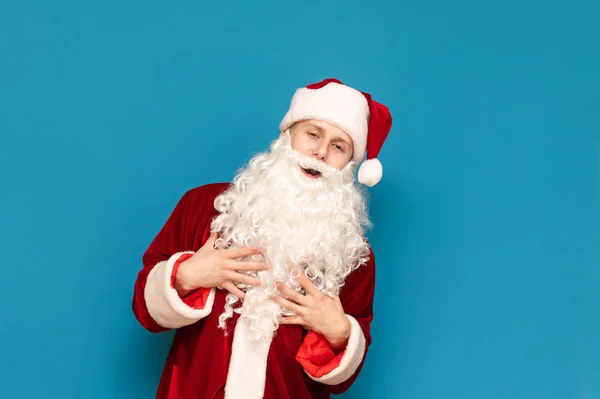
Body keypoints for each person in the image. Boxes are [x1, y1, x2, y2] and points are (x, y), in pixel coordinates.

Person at [132, 78, 393, 399]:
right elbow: (146, 311)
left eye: (338, 146)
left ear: (348, 166)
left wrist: (340, 333)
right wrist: (185, 275)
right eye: (312, 134)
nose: (321, 153)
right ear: (287, 136)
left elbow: (340, 379)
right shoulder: (202, 207)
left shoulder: (354, 255)